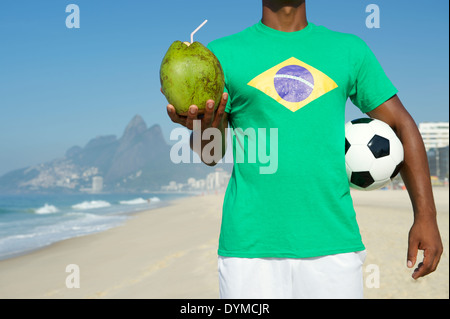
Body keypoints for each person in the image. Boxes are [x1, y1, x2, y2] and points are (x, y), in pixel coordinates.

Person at [165, 0, 443, 298]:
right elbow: (212, 154)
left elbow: (402, 124)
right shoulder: (219, 56)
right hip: (248, 248)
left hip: (333, 246)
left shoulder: (349, 50)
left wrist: (426, 216)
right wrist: (198, 125)